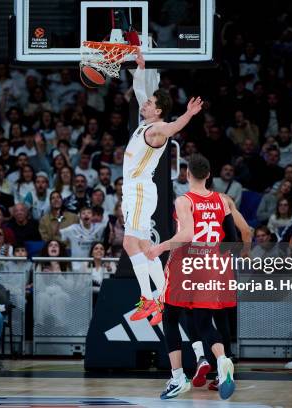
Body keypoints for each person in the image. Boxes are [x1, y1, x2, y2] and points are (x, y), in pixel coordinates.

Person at [146, 154, 237, 400]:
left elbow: (186, 233)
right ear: (209, 175)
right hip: (210, 264)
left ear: (188, 175)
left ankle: (177, 377)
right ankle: (222, 360)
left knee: (170, 316)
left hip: (185, 263)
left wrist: (160, 247)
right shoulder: (222, 200)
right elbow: (232, 239)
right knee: (203, 322)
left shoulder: (184, 200)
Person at [124, 49, 203, 323]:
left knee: (129, 243)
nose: (144, 104)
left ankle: (149, 298)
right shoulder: (144, 124)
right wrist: (142, 68)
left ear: (157, 110)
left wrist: (188, 114)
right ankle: (161, 298)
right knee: (145, 245)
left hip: (139, 191)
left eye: (150, 103)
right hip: (135, 192)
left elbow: (172, 129)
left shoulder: (157, 129)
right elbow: (139, 91)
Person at [59, 207, 107, 271]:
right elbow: (58, 234)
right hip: (76, 265)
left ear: (92, 216)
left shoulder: (100, 227)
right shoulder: (73, 229)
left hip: (92, 264)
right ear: (80, 216)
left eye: (89, 213)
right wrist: (59, 219)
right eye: (83, 213)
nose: (86, 215)